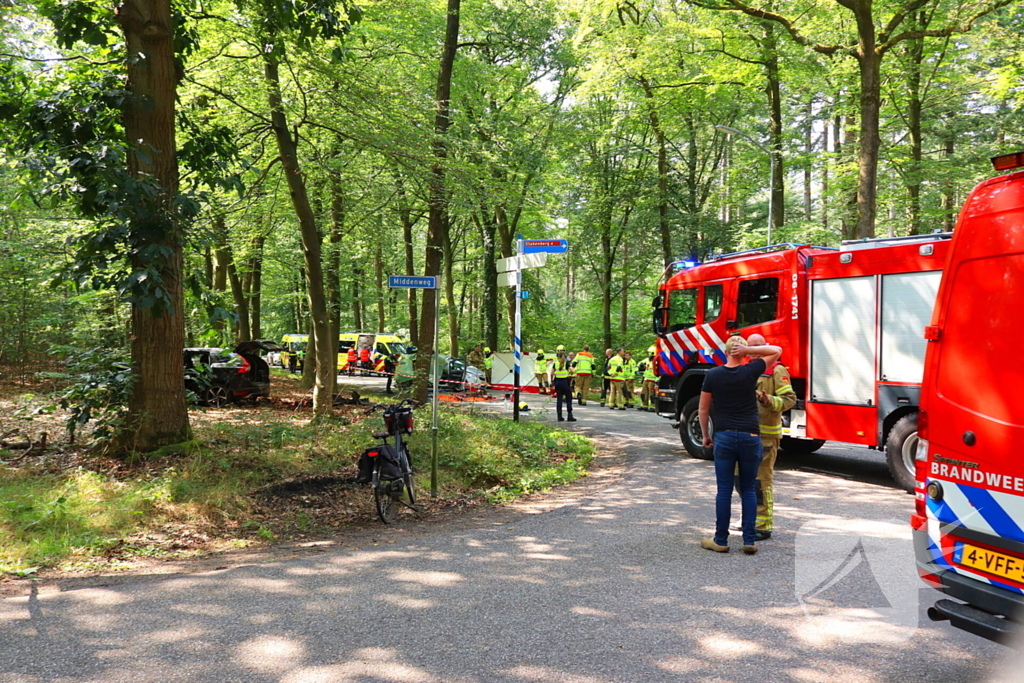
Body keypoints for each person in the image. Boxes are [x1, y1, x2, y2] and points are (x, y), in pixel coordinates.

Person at [698, 335, 781, 555]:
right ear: (741, 352)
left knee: (724, 490)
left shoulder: (713, 375)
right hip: (751, 437)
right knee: (749, 489)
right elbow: (776, 350)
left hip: (724, 437)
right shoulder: (750, 371)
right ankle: (749, 540)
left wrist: (706, 436)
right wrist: (747, 350)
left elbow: (703, 410)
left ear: (725, 352)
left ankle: (721, 540)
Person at [746, 333, 797, 541]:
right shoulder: (745, 370)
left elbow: (789, 399)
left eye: (758, 348)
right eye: (751, 349)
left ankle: (763, 525)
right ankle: (750, 520)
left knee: (760, 481)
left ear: (766, 348)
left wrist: (769, 401)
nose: (755, 353)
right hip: (744, 436)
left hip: (765, 437)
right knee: (743, 482)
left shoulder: (776, 369)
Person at [548, 348, 577, 422]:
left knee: (559, 399)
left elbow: (551, 373)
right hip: (565, 382)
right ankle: (569, 415)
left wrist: (552, 381)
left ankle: (559, 416)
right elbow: (572, 371)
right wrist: (571, 372)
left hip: (557, 382)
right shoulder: (566, 364)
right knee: (568, 398)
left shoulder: (556, 364)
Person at [638, 345, 659, 412]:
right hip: (646, 379)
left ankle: (653, 406)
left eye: (649, 353)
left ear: (653, 353)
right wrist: (640, 367)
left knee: (652, 394)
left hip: (653, 380)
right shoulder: (647, 360)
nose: (648, 354)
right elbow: (639, 364)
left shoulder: (657, 360)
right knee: (643, 393)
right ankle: (644, 406)